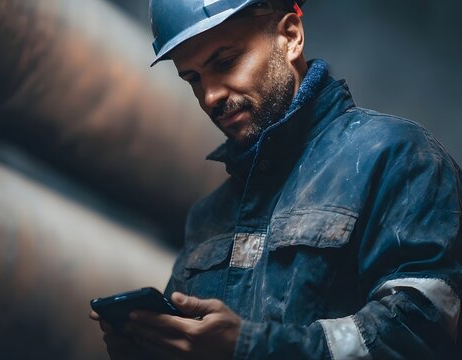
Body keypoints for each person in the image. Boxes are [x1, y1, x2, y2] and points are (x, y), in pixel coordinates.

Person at [90, 0, 462, 358]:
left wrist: (252, 349)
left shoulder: (397, 156)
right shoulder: (209, 217)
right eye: (193, 78)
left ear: (290, 37)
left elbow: (422, 333)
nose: (210, 96)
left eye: (225, 62)